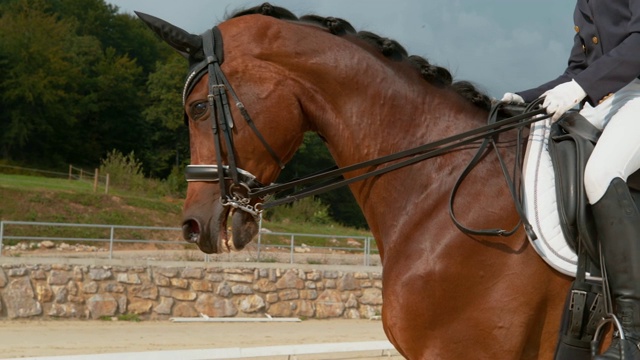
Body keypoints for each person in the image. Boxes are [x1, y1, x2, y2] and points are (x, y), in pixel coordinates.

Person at [502, 1, 640, 359]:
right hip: (613, 96)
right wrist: (526, 98)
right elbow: (579, 71)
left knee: (601, 173)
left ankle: (633, 332)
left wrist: (581, 88)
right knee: (545, 144)